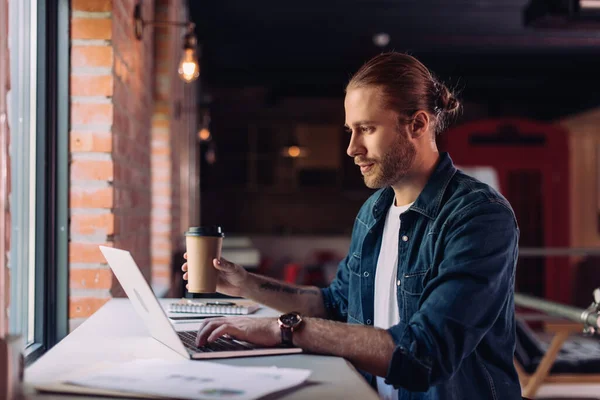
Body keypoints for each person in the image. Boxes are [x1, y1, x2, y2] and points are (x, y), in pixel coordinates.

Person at [182, 52, 522, 400]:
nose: (351, 148)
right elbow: (334, 305)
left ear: (418, 125)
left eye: (367, 129)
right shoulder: (373, 212)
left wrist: (282, 330)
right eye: (351, 130)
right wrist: (246, 284)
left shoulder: (479, 216)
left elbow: (425, 352)